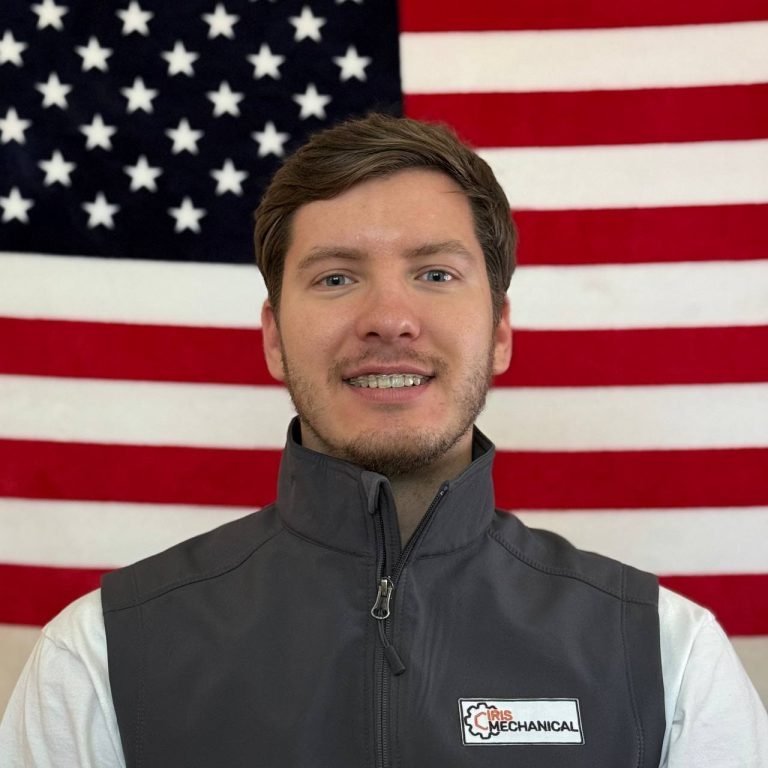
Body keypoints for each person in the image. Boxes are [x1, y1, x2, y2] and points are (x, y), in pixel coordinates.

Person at [1, 114, 766, 767]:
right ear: (274, 338)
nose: (389, 319)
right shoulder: (101, 655)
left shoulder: (667, 655)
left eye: (435, 274)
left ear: (500, 331)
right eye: (336, 278)